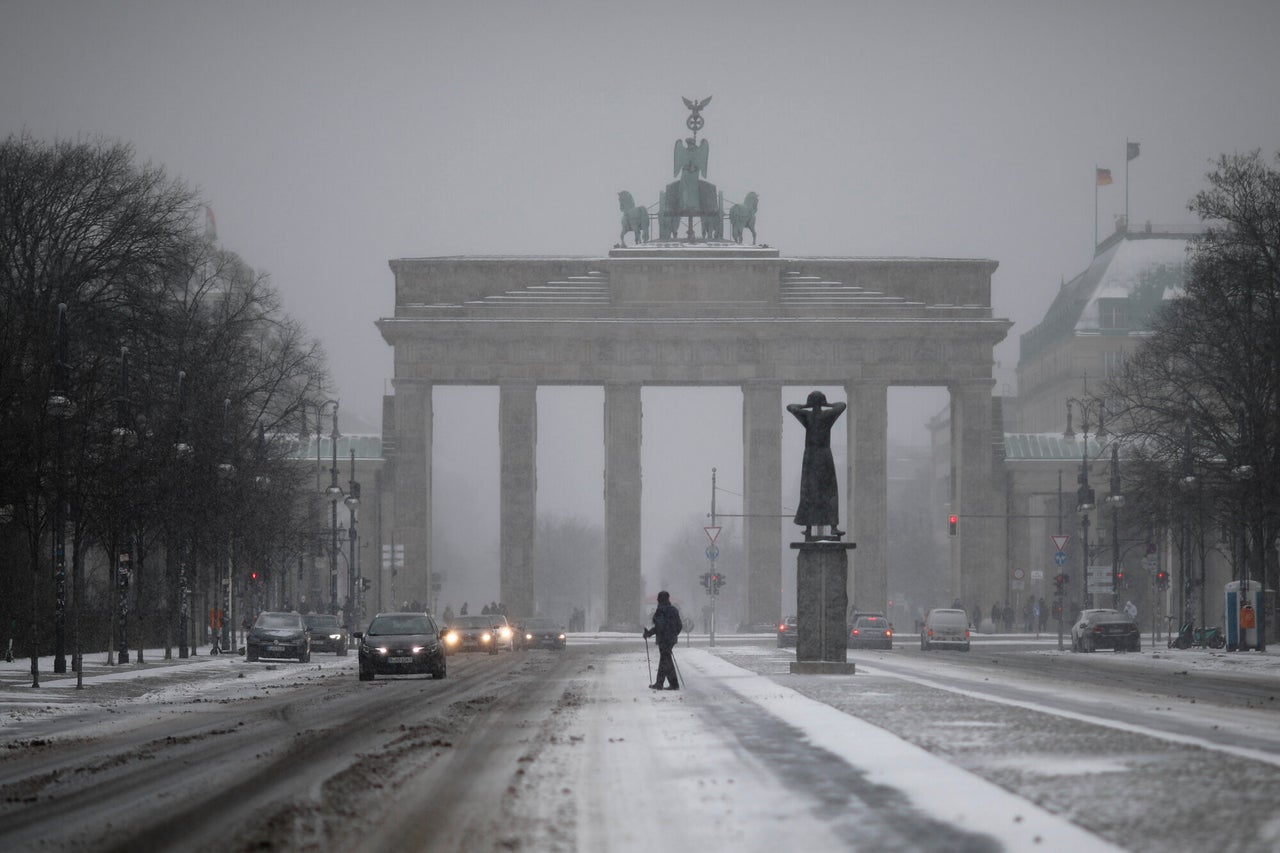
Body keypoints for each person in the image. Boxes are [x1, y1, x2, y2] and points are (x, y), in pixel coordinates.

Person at [786, 391, 848, 540]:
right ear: (822, 402)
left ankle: (808, 528)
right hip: (824, 456)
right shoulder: (827, 416)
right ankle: (833, 527)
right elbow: (842, 405)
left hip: (810, 457)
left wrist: (805, 406)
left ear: (811, 403)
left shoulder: (807, 416)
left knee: (809, 492)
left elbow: (790, 407)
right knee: (830, 492)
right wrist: (827, 404)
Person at [643, 590, 682, 690]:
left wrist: (649, 633)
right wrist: (673, 634)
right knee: (666, 661)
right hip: (671, 640)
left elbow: (659, 627)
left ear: (660, 599)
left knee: (665, 660)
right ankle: (672, 684)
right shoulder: (674, 610)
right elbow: (680, 626)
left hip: (663, 640)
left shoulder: (660, 610)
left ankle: (662, 684)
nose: (657, 600)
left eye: (658, 598)